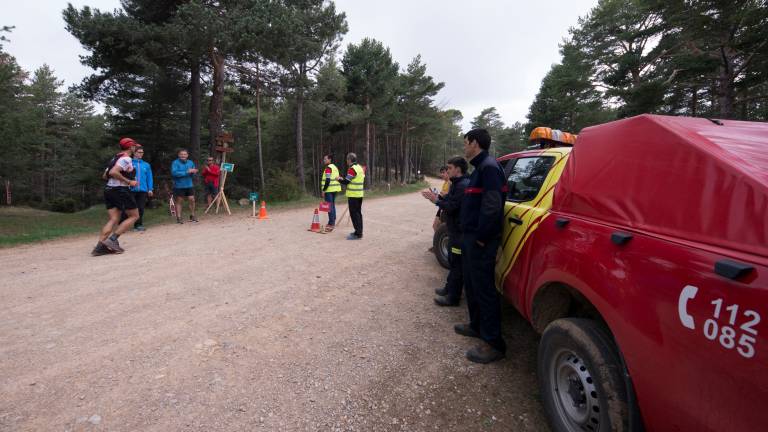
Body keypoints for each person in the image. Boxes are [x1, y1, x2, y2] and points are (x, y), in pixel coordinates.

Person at [455, 128, 507, 364]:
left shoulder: (489, 168)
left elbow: (492, 207)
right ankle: (476, 326)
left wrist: (481, 238)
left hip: (480, 240)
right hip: (471, 237)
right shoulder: (479, 169)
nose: (464, 147)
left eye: (466, 143)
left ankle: (493, 343)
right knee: (473, 285)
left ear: (474, 143)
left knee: (485, 290)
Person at [422, 157, 469, 307]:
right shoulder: (456, 184)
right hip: (454, 230)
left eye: (449, 168)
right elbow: (448, 200)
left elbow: (451, 206)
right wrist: (437, 198)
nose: (447, 171)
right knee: (454, 261)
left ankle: (453, 297)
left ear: (458, 169)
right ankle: (449, 288)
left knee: (456, 264)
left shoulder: (462, 185)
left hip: (459, 232)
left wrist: (436, 201)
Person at [91, 137, 141, 256]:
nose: (136, 148)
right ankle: (112, 240)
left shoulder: (115, 158)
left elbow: (105, 175)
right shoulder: (126, 158)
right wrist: (129, 181)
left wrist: (118, 178)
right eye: (135, 146)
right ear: (131, 147)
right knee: (134, 216)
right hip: (120, 190)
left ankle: (99, 247)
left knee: (114, 219)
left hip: (109, 189)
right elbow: (113, 172)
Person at [337, 152, 365, 240]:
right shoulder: (359, 168)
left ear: (349, 160)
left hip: (353, 195)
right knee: (358, 214)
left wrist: (339, 179)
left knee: (354, 214)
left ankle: (358, 234)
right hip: (359, 194)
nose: (346, 161)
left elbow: (346, 181)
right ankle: (358, 232)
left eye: (347, 159)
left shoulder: (352, 169)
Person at [129, 146, 153, 231]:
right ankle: (124, 225)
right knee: (130, 208)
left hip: (143, 190)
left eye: (142, 152)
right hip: (130, 190)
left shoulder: (146, 165)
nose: (141, 154)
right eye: (139, 152)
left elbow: (149, 177)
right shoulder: (129, 162)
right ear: (134, 153)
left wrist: (150, 189)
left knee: (141, 208)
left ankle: (138, 225)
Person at [171, 149, 198, 224]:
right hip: (179, 185)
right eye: (181, 154)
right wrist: (186, 172)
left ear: (187, 155)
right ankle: (179, 217)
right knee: (179, 201)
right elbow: (174, 173)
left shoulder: (190, 162)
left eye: (184, 154)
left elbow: (192, 174)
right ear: (178, 155)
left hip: (189, 184)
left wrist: (193, 172)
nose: (183, 156)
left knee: (192, 199)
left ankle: (192, 215)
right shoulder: (175, 163)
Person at [320, 154, 342, 232]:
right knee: (332, 205)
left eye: (325, 159)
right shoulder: (335, 167)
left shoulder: (329, 168)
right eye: (324, 159)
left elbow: (328, 180)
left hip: (329, 190)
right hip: (335, 189)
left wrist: (324, 190)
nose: (324, 160)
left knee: (329, 206)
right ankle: (333, 219)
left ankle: (331, 223)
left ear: (329, 160)